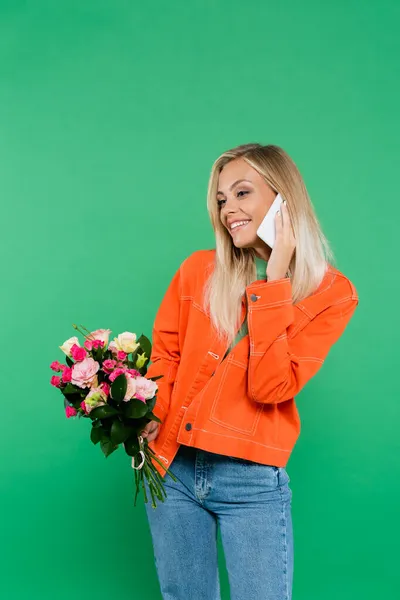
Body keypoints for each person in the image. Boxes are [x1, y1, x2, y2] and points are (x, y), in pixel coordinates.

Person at [139, 143, 359, 600]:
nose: (228, 211)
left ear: (283, 199)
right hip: (173, 466)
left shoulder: (331, 294)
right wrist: (152, 412)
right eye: (221, 200)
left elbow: (270, 385)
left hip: (251, 478)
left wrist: (275, 280)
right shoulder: (199, 270)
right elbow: (167, 354)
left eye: (242, 194)